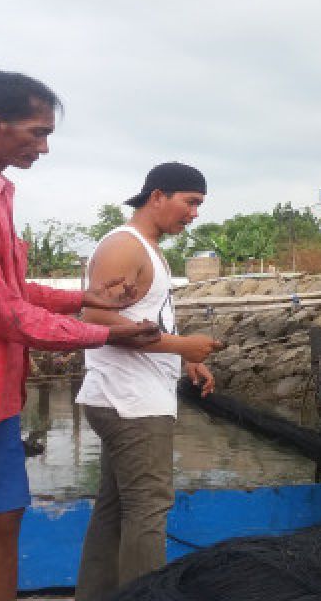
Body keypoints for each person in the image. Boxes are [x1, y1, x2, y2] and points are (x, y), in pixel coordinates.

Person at [0, 72, 168, 601]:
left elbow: (9, 287)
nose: (43, 147)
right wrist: (106, 335)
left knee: (2, 519)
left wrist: (86, 298)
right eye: (37, 133)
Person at [74, 162, 224, 599]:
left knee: (115, 507)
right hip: (131, 404)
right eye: (190, 202)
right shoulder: (125, 246)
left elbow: (138, 319)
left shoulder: (149, 247)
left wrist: (185, 361)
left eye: (199, 205)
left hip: (128, 398)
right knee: (148, 509)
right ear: (157, 196)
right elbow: (97, 318)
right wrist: (182, 348)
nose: (195, 213)